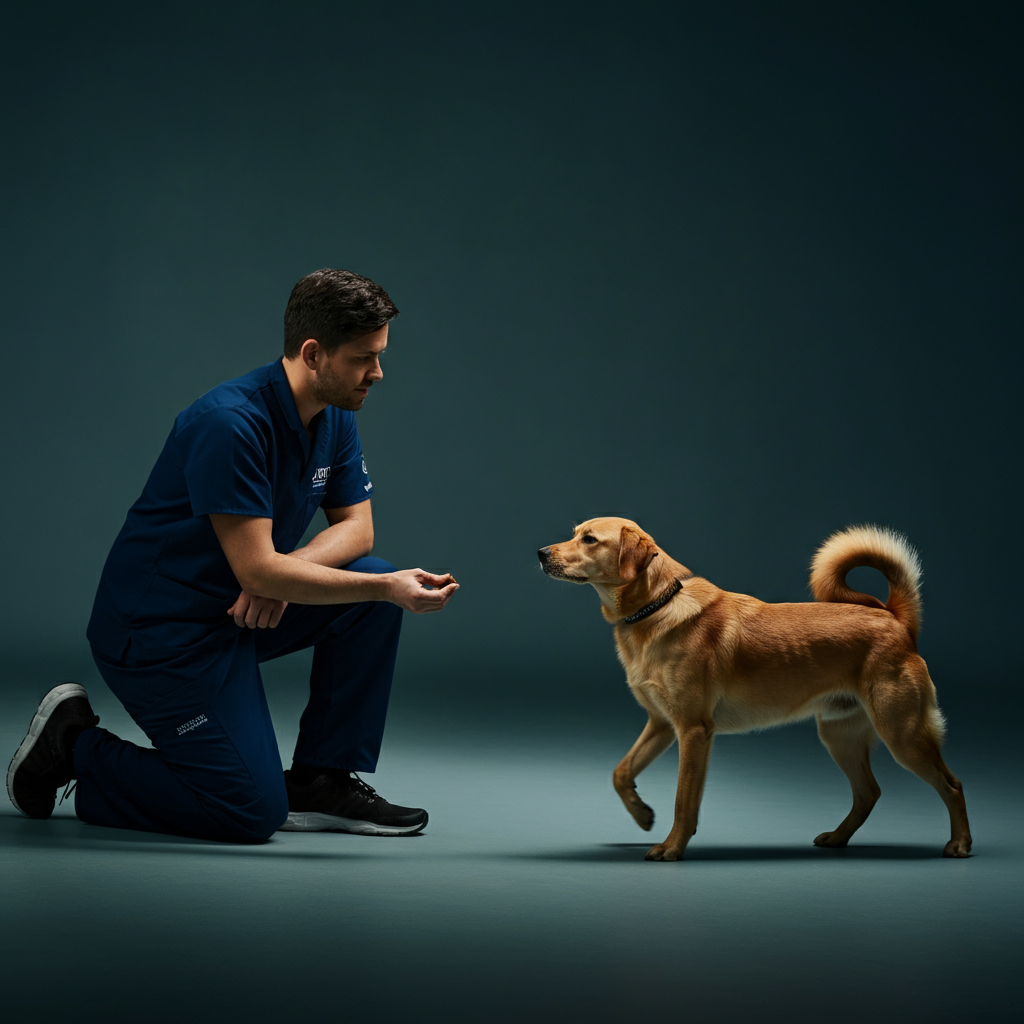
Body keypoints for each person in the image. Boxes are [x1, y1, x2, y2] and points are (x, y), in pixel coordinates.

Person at [7, 268, 459, 843]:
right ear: (313, 353)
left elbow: (357, 530)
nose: (378, 372)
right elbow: (258, 568)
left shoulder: (335, 413)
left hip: (234, 611)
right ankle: (74, 746)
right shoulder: (230, 424)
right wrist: (294, 577)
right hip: (158, 635)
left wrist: (280, 576)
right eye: (364, 357)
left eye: (380, 354)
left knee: (367, 585)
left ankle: (322, 779)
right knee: (248, 810)